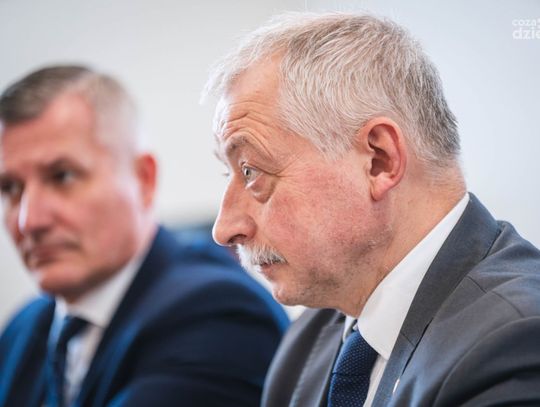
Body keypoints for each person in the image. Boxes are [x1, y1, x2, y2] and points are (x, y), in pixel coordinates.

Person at [203, 12, 540, 407]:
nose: (224, 229)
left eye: (252, 171)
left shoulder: (515, 343)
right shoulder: (311, 338)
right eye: (229, 173)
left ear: (379, 160)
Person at [0, 65, 289, 407]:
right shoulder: (23, 329)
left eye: (62, 176)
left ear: (143, 179)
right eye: (11, 188)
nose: (29, 221)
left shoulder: (221, 316)